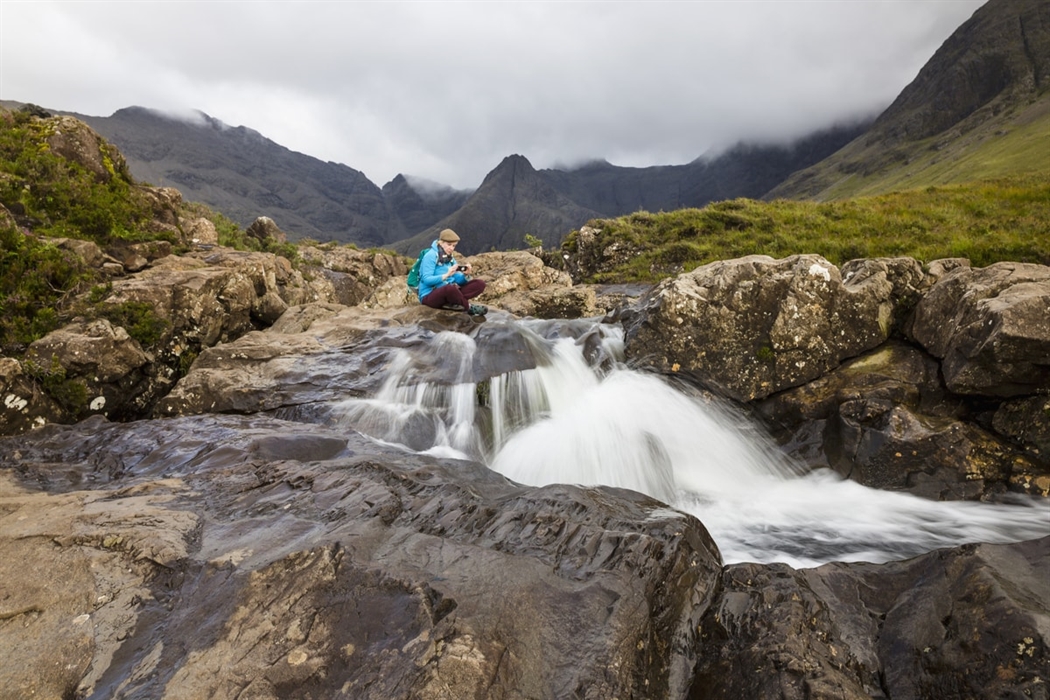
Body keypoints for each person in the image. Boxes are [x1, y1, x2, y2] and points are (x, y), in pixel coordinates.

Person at [417, 228, 488, 315]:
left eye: (454, 246)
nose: (451, 248)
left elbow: (457, 279)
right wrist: (446, 275)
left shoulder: (450, 258)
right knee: (449, 289)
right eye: (449, 244)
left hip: (449, 292)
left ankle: (454, 301)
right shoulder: (430, 256)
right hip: (430, 295)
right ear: (440, 242)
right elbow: (426, 280)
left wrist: (465, 275)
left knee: (480, 284)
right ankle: (468, 307)